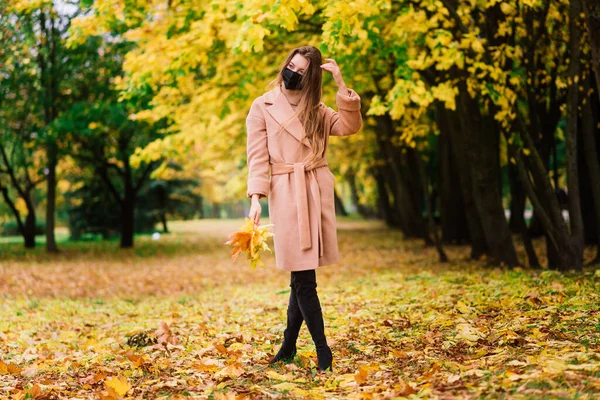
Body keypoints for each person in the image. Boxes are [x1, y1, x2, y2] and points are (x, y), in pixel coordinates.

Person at [245, 45, 362, 372]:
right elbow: (257, 158)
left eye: (300, 70)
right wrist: (256, 198)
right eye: (290, 66)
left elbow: (350, 127)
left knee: (302, 275)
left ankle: (288, 346)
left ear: (310, 77)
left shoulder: (317, 108)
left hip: (313, 189)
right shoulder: (262, 106)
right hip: (285, 193)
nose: (292, 73)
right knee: (303, 276)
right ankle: (324, 351)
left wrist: (341, 84)